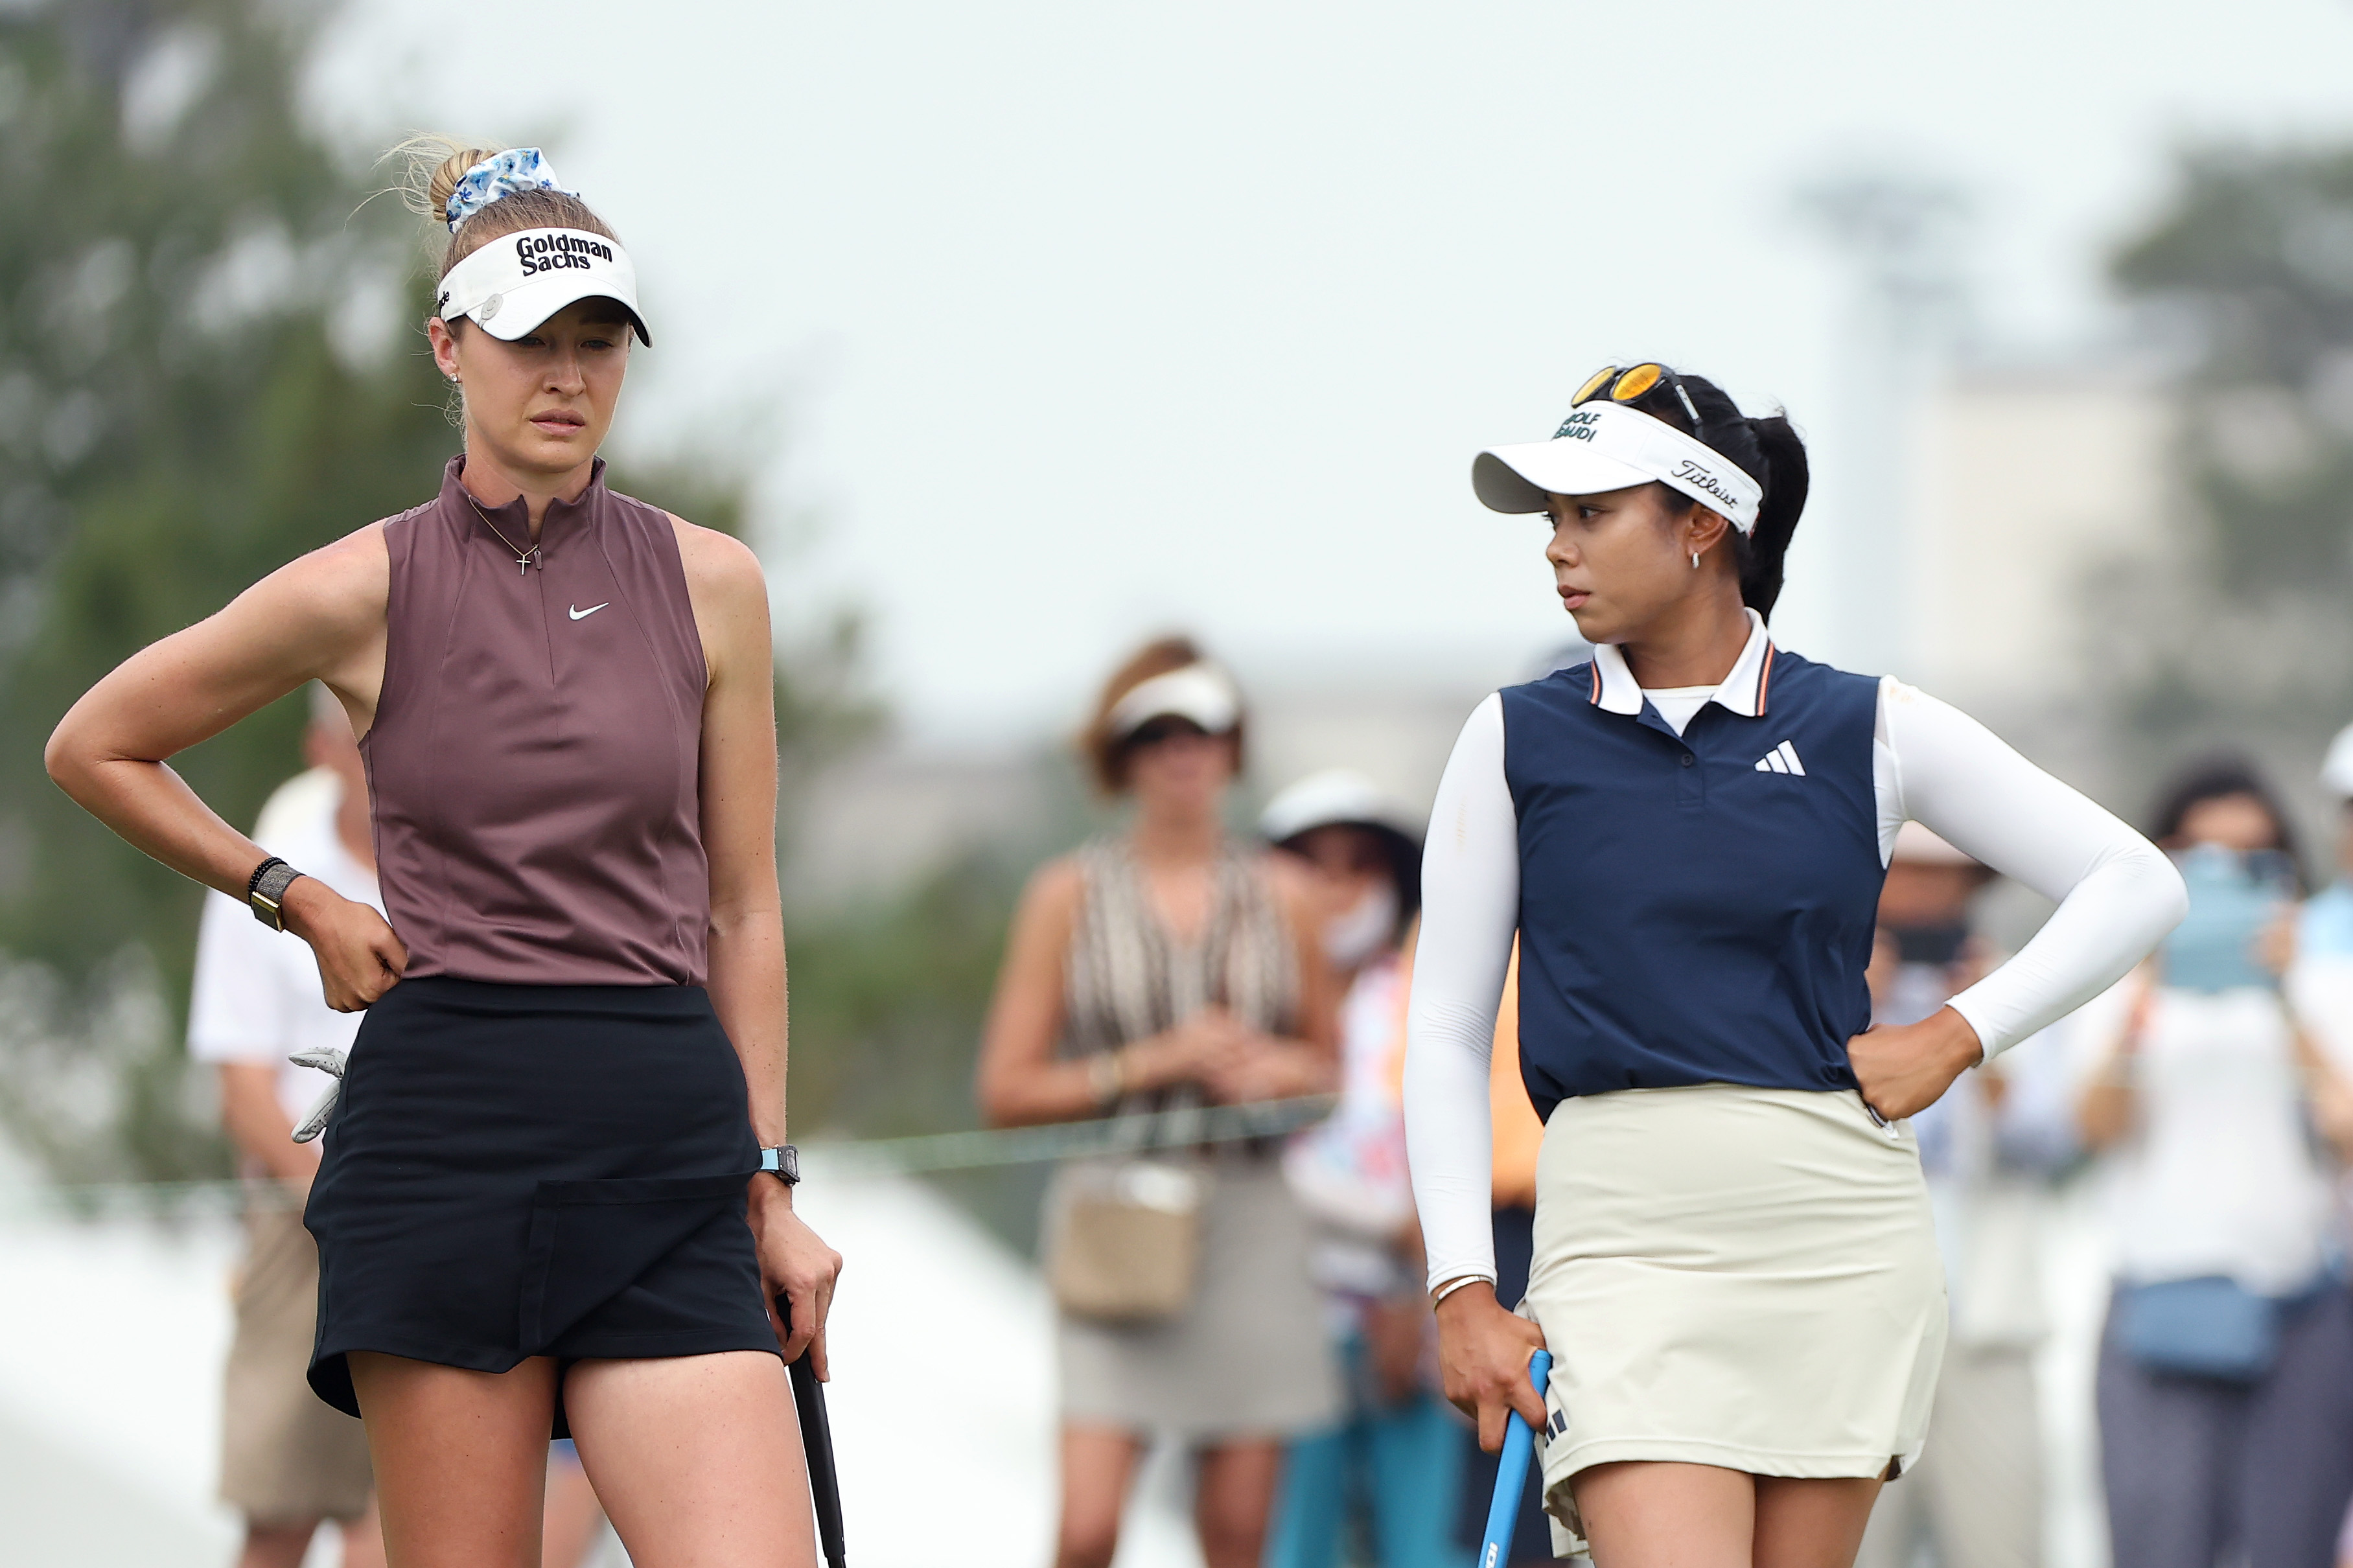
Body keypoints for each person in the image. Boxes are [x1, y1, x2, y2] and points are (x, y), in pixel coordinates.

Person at [44, 141, 840, 1568]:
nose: (567, 375)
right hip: (446, 1142)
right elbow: (96, 743)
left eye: (598, 341)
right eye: (532, 340)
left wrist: (772, 1183)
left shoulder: (714, 583)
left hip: (666, 1145)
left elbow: (742, 906)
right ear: (449, 347)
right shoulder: (361, 585)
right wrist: (292, 896)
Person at [1400, 361, 2186, 1567]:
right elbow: (1448, 1035)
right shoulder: (1514, 737)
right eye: (1552, 519)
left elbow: (2135, 881)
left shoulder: (1863, 724)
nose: (1557, 547)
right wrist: (1461, 1286)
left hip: (1839, 1239)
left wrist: (1956, 1035)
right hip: (1620, 1242)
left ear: (1702, 523)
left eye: (1591, 513)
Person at [975, 638, 1342, 1568]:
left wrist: (1276, 1072)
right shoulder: (1065, 894)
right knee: (1089, 1527)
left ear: (1231, 747)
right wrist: (1147, 1063)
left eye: (1203, 732)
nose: (1183, 754)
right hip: (1116, 1212)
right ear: (1121, 754)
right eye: (1157, 734)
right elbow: (1006, 1090)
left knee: (1238, 1531)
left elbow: (1334, 1073)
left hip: (1250, 1216)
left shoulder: (1288, 894)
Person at [2069, 755, 2353, 1568]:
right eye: (2201, 855)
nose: (2226, 874)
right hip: (2157, 1298)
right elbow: (2093, 1127)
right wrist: (2146, 988)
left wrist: (2286, 993)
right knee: (2159, 1545)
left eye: (2253, 856)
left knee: (2292, 1544)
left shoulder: (2325, 981)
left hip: (2297, 1303)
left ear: (2286, 867)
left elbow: (2342, 1128)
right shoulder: (2115, 981)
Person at [191, 689, 386, 1568]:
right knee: (281, 1511)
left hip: (447, 1220)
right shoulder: (269, 877)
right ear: (321, 747)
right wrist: (338, 1206)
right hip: (303, 1225)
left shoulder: (469, 877)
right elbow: (243, 1091)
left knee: (410, 1516)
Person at [1853, 825, 2078, 1568]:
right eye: (1905, 870)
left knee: (2002, 1542)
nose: (1921, 892)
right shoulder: (1821, 985)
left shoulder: (2020, 983)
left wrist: (1981, 1028)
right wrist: (1853, 1004)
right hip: (1854, 1324)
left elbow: (2049, 1138)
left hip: (1984, 1320)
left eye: (1940, 874)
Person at [1258, 769, 1459, 1568]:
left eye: (1358, 866)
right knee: (1291, 1543)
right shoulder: (1249, 1000)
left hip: (1409, 1315)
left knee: (1424, 1545)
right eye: (1312, 864)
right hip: (1283, 1315)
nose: (1334, 887)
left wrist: (1414, 1290)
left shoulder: (1427, 998)